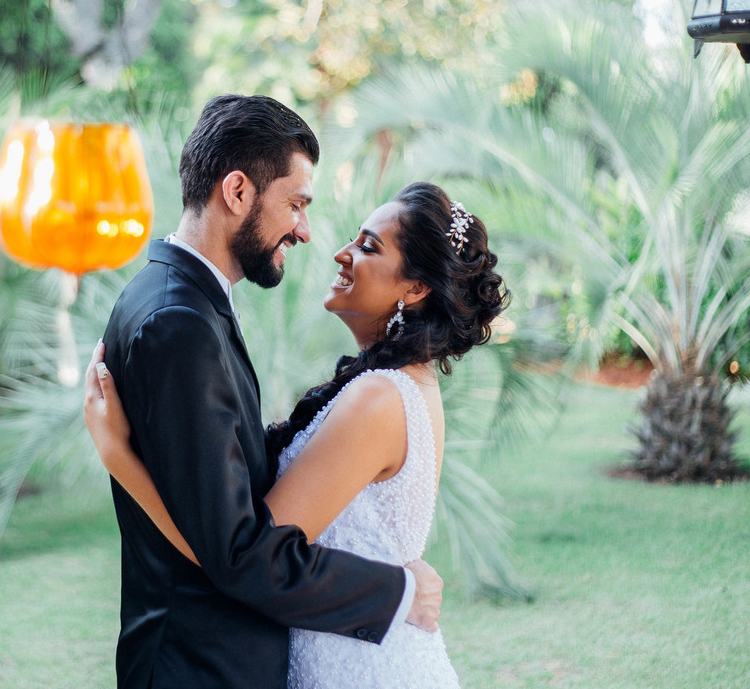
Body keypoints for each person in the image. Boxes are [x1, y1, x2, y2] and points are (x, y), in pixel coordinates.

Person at [86, 179, 509, 688]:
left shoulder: (379, 398)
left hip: (360, 666)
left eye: (368, 246)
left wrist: (119, 455)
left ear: (416, 288)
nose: (341, 252)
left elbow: (247, 557)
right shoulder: (390, 384)